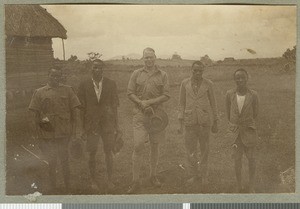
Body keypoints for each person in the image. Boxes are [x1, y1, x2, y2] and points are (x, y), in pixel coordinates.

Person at [29, 68, 81, 194]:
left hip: (64, 133)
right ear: (48, 75)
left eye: (58, 76)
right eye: (52, 76)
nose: (55, 78)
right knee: (51, 161)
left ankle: (68, 188)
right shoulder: (39, 92)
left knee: (65, 160)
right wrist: (35, 134)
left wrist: (76, 132)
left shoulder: (68, 90)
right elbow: (33, 114)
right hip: (48, 134)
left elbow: (75, 110)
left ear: (61, 77)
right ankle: (54, 189)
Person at [127, 47, 170, 194]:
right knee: (138, 145)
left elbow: (166, 95)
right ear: (143, 58)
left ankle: (153, 176)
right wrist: (141, 103)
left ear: (155, 58)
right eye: (146, 57)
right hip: (140, 114)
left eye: (151, 57)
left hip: (157, 116)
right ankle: (135, 181)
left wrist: (150, 102)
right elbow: (130, 92)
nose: (149, 60)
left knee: (155, 145)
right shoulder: (136, 73)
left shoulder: (162, 74)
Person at [77, 59, 120, 192]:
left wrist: (117, 127)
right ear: (91, 69)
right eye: (95, 67)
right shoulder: (83, 85)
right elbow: (81, 108)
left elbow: (114, 107)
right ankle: (93, 181)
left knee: (109, 152)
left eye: (100, 68)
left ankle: (110, 180)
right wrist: (82, 128)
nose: (97, 70)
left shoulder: (111, 84)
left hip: (107, 124)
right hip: (91, 125)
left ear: (103, 69)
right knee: (92, 153)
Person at [178, 61, 218, 185]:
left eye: (200, 71)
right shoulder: (184, 83)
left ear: (203, 71)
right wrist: (180, 122)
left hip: (204, 122)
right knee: (191, 150)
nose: (197, 73)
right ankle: (194, 175)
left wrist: (215, 120)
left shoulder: (208, 84)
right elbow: (181, 104)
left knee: (205, 149)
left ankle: (204, 176)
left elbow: (213, 103)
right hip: (190, 122)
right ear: (192, 70)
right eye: (195, 70)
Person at [225, 68, 259, 193]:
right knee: (237, 160)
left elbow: (255, 113)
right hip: (235, 134)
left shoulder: (253, 94)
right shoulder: (229, 94)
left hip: (249, 132)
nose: (240, 80)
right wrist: (236, 126)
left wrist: (246, 124)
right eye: (237, 78)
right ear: (234, 79)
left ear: (247, 78)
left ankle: (251, 186)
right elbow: (229, 114)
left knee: (252, 159)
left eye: (242, 77)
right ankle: (239, 185)